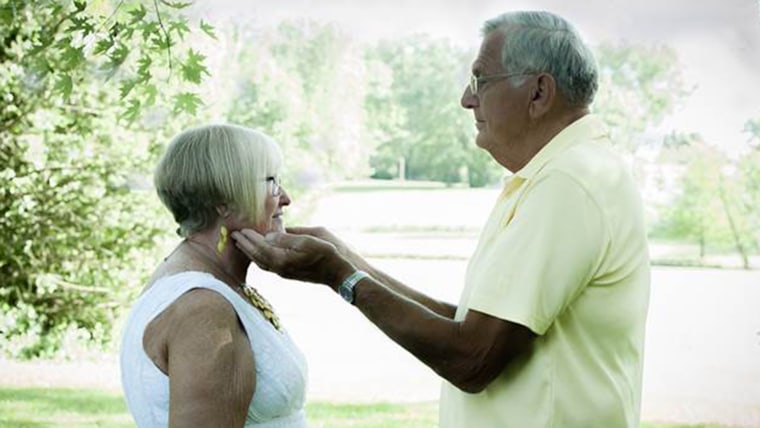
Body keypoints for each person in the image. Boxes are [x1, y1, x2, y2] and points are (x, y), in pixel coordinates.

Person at [232, 10, 650, 428]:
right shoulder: (557, 175)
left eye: (480, 81)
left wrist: (338, 274)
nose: (467, 99)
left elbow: (472, 359)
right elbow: (468, 326)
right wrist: (345, 259)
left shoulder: (567, 184)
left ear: (538, 92)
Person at [120, 124, 308, 427]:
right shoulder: (203, 309)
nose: (285, 198)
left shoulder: (208, 283)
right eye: (271, 182)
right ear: (224, 201)